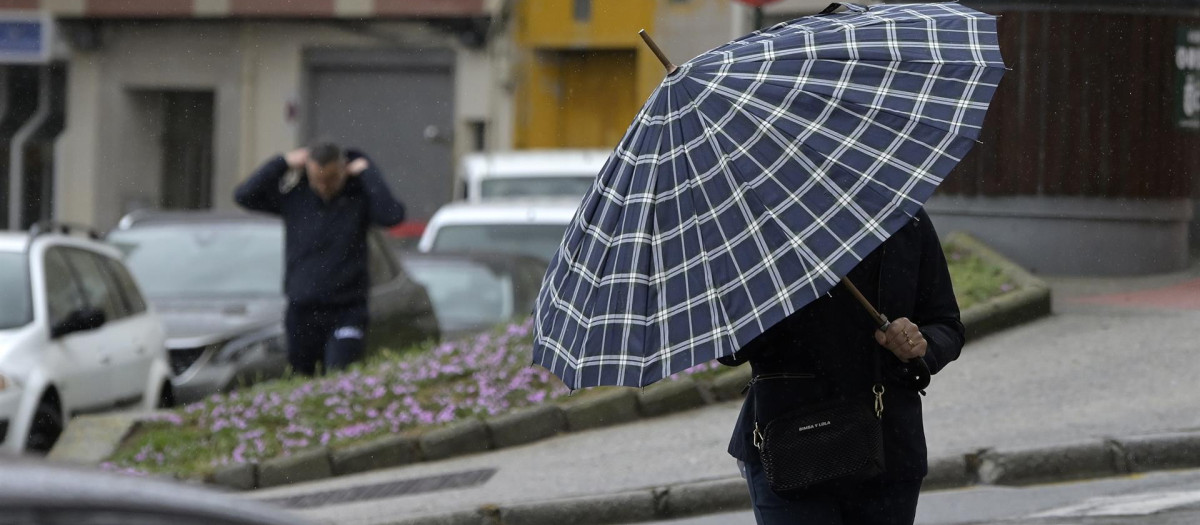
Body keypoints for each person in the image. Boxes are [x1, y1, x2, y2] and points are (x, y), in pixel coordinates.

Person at [719, 208, 965, 525]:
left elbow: (946, 324)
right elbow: (730, 348)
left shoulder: (902, 215)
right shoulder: (753, 230)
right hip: (789, 448)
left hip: (888, 446)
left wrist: (920, 345)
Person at [234, 142, 406, 376]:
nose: (324, 186)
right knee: (303, 380)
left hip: (347, 309)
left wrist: (367, 170)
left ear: (345, 170)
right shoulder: (295, 198)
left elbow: (392, 215)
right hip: (302, 310)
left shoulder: (357, 198)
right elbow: (244, 196)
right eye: (318, 179)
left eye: (332, 179)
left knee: (340, 374)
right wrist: (281, 162)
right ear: (308, 172)